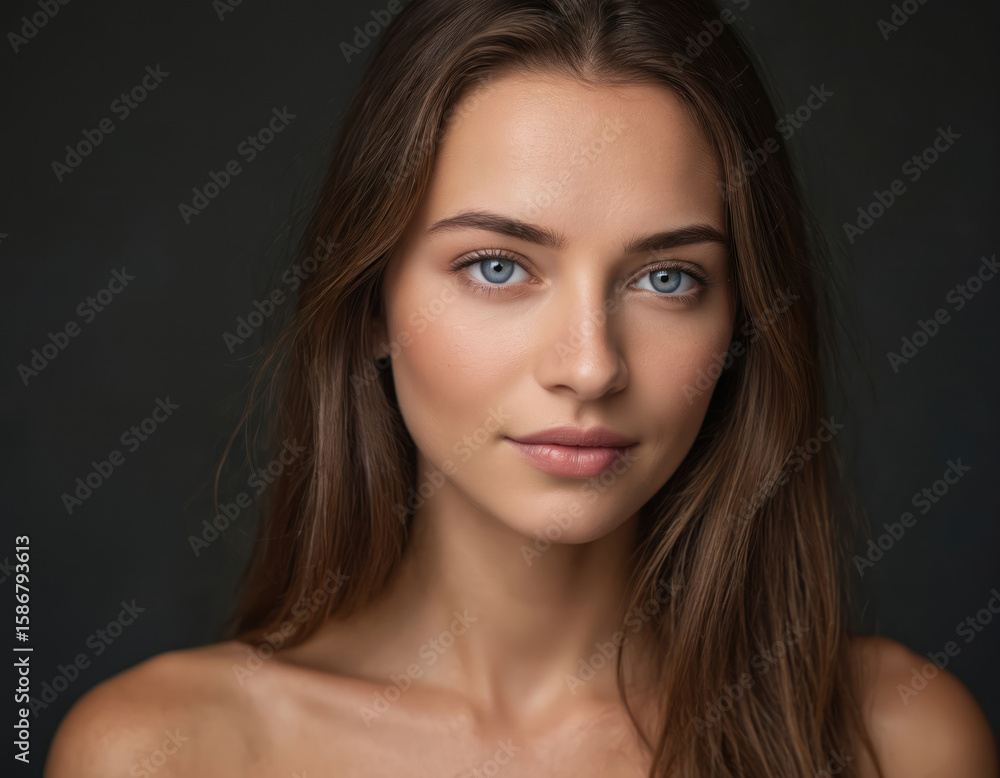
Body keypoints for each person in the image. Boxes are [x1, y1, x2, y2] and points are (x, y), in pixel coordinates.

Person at [45, 1, 998, 775]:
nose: (589, 366)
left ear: (744, 323)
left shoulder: (899, 742)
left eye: (667, 278)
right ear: (370, 303)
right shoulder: (166, 753)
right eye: (498, 267)